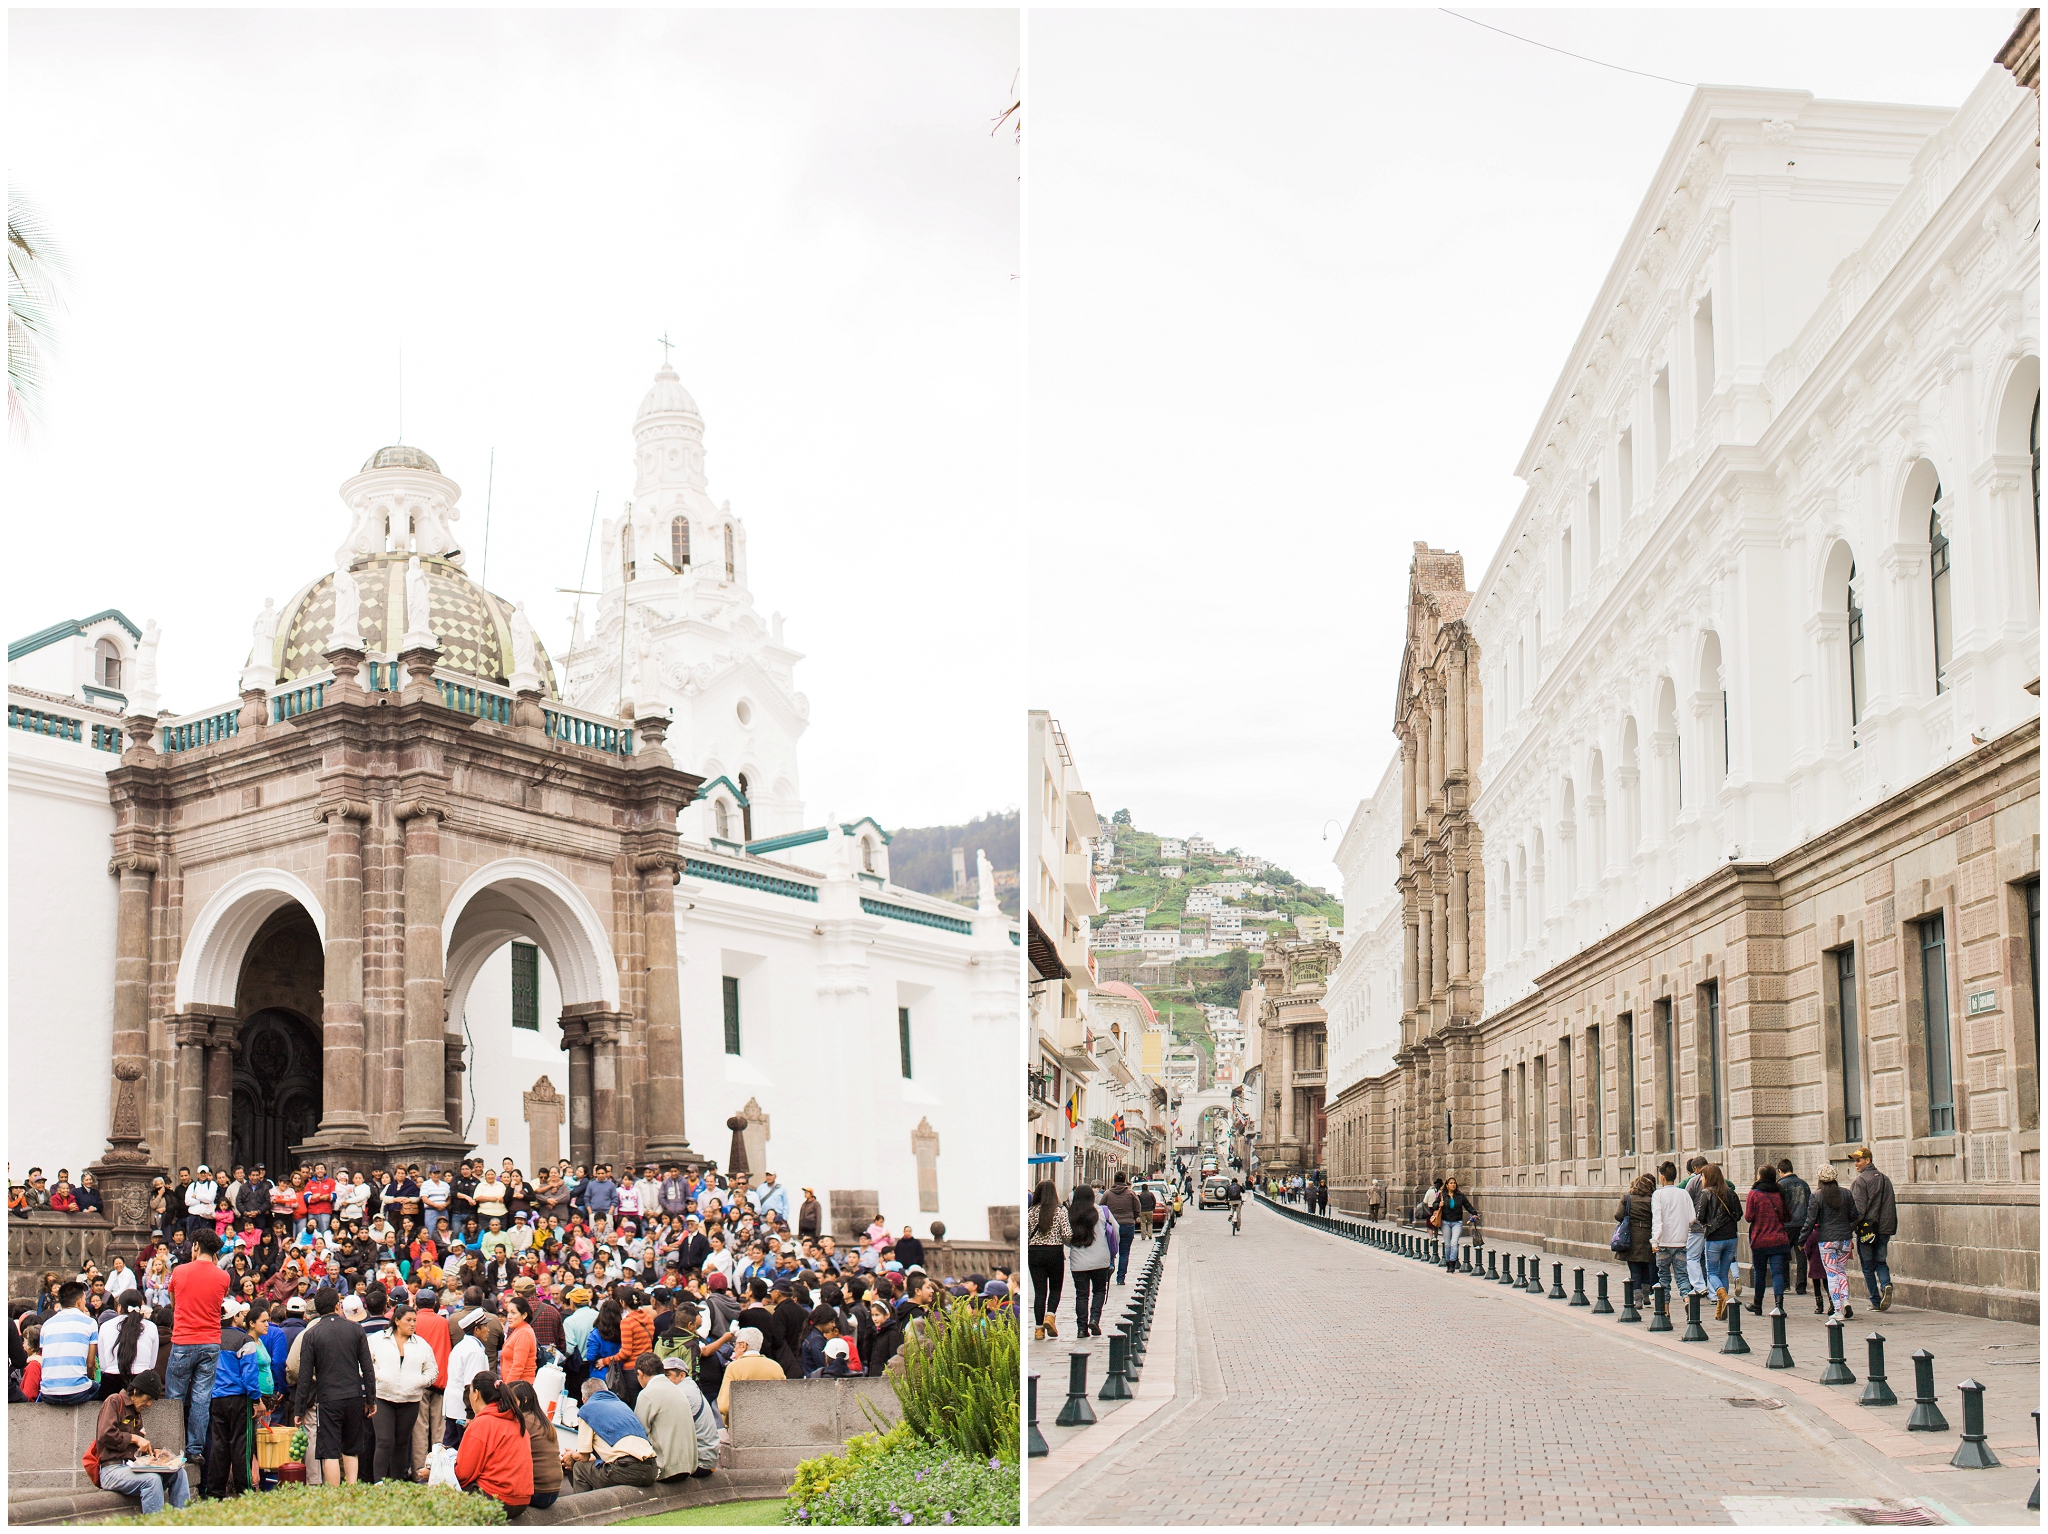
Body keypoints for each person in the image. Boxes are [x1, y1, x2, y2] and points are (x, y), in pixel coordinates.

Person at [293, 1286, 377, 1484]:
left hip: (328, 1398)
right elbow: (367, 1367)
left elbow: (305, 1376)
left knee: (330, 1449)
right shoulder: (355, 1329)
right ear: (337, 1305)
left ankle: (333, 1494)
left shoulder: (311, 1335)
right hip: (354, 1395)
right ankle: (352, 1489)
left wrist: (300, 1409)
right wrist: (371, 1398)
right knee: (351, 1447)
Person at [93, 1370, 194, 1516]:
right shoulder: (114, 1401)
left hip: (132, 1467)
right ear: (135, 1391)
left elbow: (138, 1444)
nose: (149, 1404)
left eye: (152, 1400)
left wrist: (154, 1452)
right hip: (112, 1469)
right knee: (152, 1480)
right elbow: (104, 1434)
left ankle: (183, 1522)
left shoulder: (137, 1412)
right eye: (147, 1399)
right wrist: (135, 1438)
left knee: (179, 1473)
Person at [203, 1297, 272, 1500]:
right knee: (242, 1445)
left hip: (216, 1398)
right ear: (235, 1318)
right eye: (241, 1315)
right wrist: (256, 1399)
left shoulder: (211, 1338)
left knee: (219, 1446)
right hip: (239, 1399)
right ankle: (244, 1492)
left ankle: (215, 1492)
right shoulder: (245, 1341)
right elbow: (249, 1375)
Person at [369, 1304, 436, 1484]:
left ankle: (397, 1483)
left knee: (402, 1443)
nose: (413, 1324)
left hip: (410, 1399)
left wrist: (419, 1382)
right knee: (384, 1441)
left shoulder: (421, 1345)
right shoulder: (378, 1340)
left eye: (415, 1320)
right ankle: (378, 1483)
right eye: (408, 1320)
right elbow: (365, 1363)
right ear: (397, 1321)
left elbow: (432, 1370)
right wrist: (378, 1376)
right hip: (383, 1397)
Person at [453, 1369, 533, 1514]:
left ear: (476, 1394)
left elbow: (463, 1474)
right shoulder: (515, 1419)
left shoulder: (483, 1423)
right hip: (522, 1501)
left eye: (470, 1392)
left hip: (498, 1499)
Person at [565, 1374, 660, 1491]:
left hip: (626, 1469)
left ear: (584, 1399)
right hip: (651, 1468)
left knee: (580, 1468)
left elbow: (583, 1457)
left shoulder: (587, 1409)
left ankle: (584, 1507)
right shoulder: (622, 1406)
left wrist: (570, 1455)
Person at [631, 1350, 704, 1479]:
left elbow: (639, 1434)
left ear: (640, 1374)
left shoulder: (647, 1394)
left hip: (666, 1469)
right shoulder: (678, 1390)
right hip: (688, 1467)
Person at [1802, 1164, 1859, 1320]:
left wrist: (1802, 1239)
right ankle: (1845, 1300)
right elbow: (1855, 1215)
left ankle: (1838, 1310)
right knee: (1841, 1271)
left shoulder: (1817, 1196)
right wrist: (1847, 1228)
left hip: (1826, 1240)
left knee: (1831, 1274)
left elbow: (1810, 1220)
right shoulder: (1846, 1194)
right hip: (1844, 1240)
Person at [1849, 1146, 1897, 1312]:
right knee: (1881, 1261)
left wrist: (1849, 1227)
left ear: (1867, 1160)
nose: (1856, 1164)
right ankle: (1886, 1284)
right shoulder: (1885, 1179)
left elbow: (1859, 1210)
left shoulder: (1860, 1181)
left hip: (1867, 1230)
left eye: (1858, 1160)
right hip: (1884, 1229)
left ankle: (1875, 1300)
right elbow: (1891, 1206)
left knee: (1868, 1266)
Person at [37, 1281, 100, 1407]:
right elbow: (90, 1364)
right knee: (100, 1388)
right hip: (77, 1393)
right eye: (83, 1299)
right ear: (78, 1302)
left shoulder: (47, 1325)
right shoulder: (90, 1323)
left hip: (47, 1393)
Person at [504, 1380, 564, 1509]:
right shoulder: (542, 1419)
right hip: (553, 1491)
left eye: (511, 1400)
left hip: (537, 1493)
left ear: (524, 1400)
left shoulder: (522, 1421)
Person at [1743, 1164, 1793, 1316]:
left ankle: (1757, 1304)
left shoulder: (1754, 1194)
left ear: (1760, 1177)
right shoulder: (1780, 1192)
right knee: (1777, 1273)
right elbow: (1787, 1216)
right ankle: (1779, 1305)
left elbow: (1748, 1217)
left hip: (1760, 1240)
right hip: (1778, 1239)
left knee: (1760, 1273)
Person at [661, 1354, 722, 1476]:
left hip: (700, 1463)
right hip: (707, 1459)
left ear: (682, 1375)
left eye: (668, 1376)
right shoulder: (689, 1387)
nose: (664, 1381)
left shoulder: (681, 1393)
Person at [1064, 1186, 1112, 1339]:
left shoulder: (1070, 1214)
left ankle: (1081, 1329)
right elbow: (1114, 1231)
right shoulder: (1102, 1211)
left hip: (1079, 1262)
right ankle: (1094, 1319)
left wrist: (1073, 1245)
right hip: (1100, 1258)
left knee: (1081, 1295)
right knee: (1099, 1290)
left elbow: (1066, 1237)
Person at [440, 1307, 492, 1449]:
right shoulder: (474, 1351)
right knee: (463, 1452)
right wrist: (470, 1414)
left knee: (449, 1451)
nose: (488, 1330)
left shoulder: (462, 1346)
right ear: (476, 1330)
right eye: (485, 1326)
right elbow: (471, 1385)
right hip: (463, 1412)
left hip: (454, 1408)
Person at [1695, 1165, 1742, 1318]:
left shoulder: (1706, 1193)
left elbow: (1700, 1216)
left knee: (1712, 1273)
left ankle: (1724, 1297)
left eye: (1703, 1176)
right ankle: (1721, 1311)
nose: (1701, 1179)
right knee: (1723, 1272)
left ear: (1708, 1178)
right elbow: (1739, 1213)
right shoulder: (1730, 1192)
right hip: (1731, 1237)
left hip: (1714, 1238)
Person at [95, 1290, 159, 1400]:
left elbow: (104, 1365)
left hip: (111, 1383)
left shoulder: (105, 1326)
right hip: (142, 1383)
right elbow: (151, 1364)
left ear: (119, 1307)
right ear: (141, 1306)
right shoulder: (151, 1326)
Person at [1026, 1181, 1069, 1343]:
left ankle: (1038, 1330)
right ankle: (1050, 1316)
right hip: (1055, 1253)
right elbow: (1067, 1234)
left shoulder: (1030, 1212)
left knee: (1039, 1292)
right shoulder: (1060, 1211)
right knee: (1055, 1289)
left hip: (1035, 1254)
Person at [1649, 1160, 1695, 1306]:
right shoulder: (1684, 1194)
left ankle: (1666, 1310)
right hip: (1681, 1242)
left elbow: (1657, 1219)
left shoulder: (1658, 1195)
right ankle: (1687, 1300)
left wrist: (1654, 1241)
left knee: (1663, 1277)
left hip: (1663, 1242)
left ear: (1662, 1177)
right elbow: (1692, 1218)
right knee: (1682, 1275)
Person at [716, 1325, 785, 1419]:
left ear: (743, 1345)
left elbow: (724, 1406)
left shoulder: (734, 1367)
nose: (734, 1348)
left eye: (735, 1344)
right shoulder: (776, 1367)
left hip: (742, 1423)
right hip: (771, 1422)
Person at [1613, 1172, 1657, 1306]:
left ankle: (1637, 1298)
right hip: (1648, 1235)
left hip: (1632, 1236)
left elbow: (1618, 1215)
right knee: (1646, 1266)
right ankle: (1646, 1295)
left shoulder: (1627, 1199)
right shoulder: (1652, 1199)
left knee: (1635, 1269)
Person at [1774, 1158, 1813, 1296]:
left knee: (1784, 1254)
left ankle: (1785, 1284)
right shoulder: (1804, 1184)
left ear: (1780, 1171)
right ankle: (1801, 1286)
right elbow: (1810, 1204)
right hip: (1802, 1223)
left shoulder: (1780, 1185)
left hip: (1787, 1224)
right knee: (1801, 1255)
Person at [1103, 1174, 1142, 1283]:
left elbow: (1101, 1208)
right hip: (1127, 1225)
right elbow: (1138, 1208)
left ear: (1114, 1180)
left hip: (1111, 1226)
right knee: (1124, 1253)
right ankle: (1121, 1278)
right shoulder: (1130, 1193)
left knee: (1110, 1251)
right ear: (1125, 1180)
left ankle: (1108, 1272)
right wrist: (1132, 1218)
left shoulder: (1107, 1194)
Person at [1435, 1177, 1478, 1271]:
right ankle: (1447, 1262)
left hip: (1457, 1222)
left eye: (1454, 1183)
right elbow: (1434, 1205)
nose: (1453, 1184)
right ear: (1447, 1185)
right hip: (1445, 1222)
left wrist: (1474, 1213)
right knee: (1447, 1244)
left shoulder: (1460, 1196)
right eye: (1451, 1183)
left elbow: (1468, 1206)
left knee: (1454, 1243)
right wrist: (1439, 1205)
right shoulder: (1442, 1195)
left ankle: (1452, 1264)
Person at [499, 1293, 537, 1384]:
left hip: (519, 1387)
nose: (509, 1316)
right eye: (508, 1312)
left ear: (524, 1315)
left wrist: (507, 1390)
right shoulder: (518, 1330)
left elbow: (518, 1366)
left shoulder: (524, 1333)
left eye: (513, 1313)